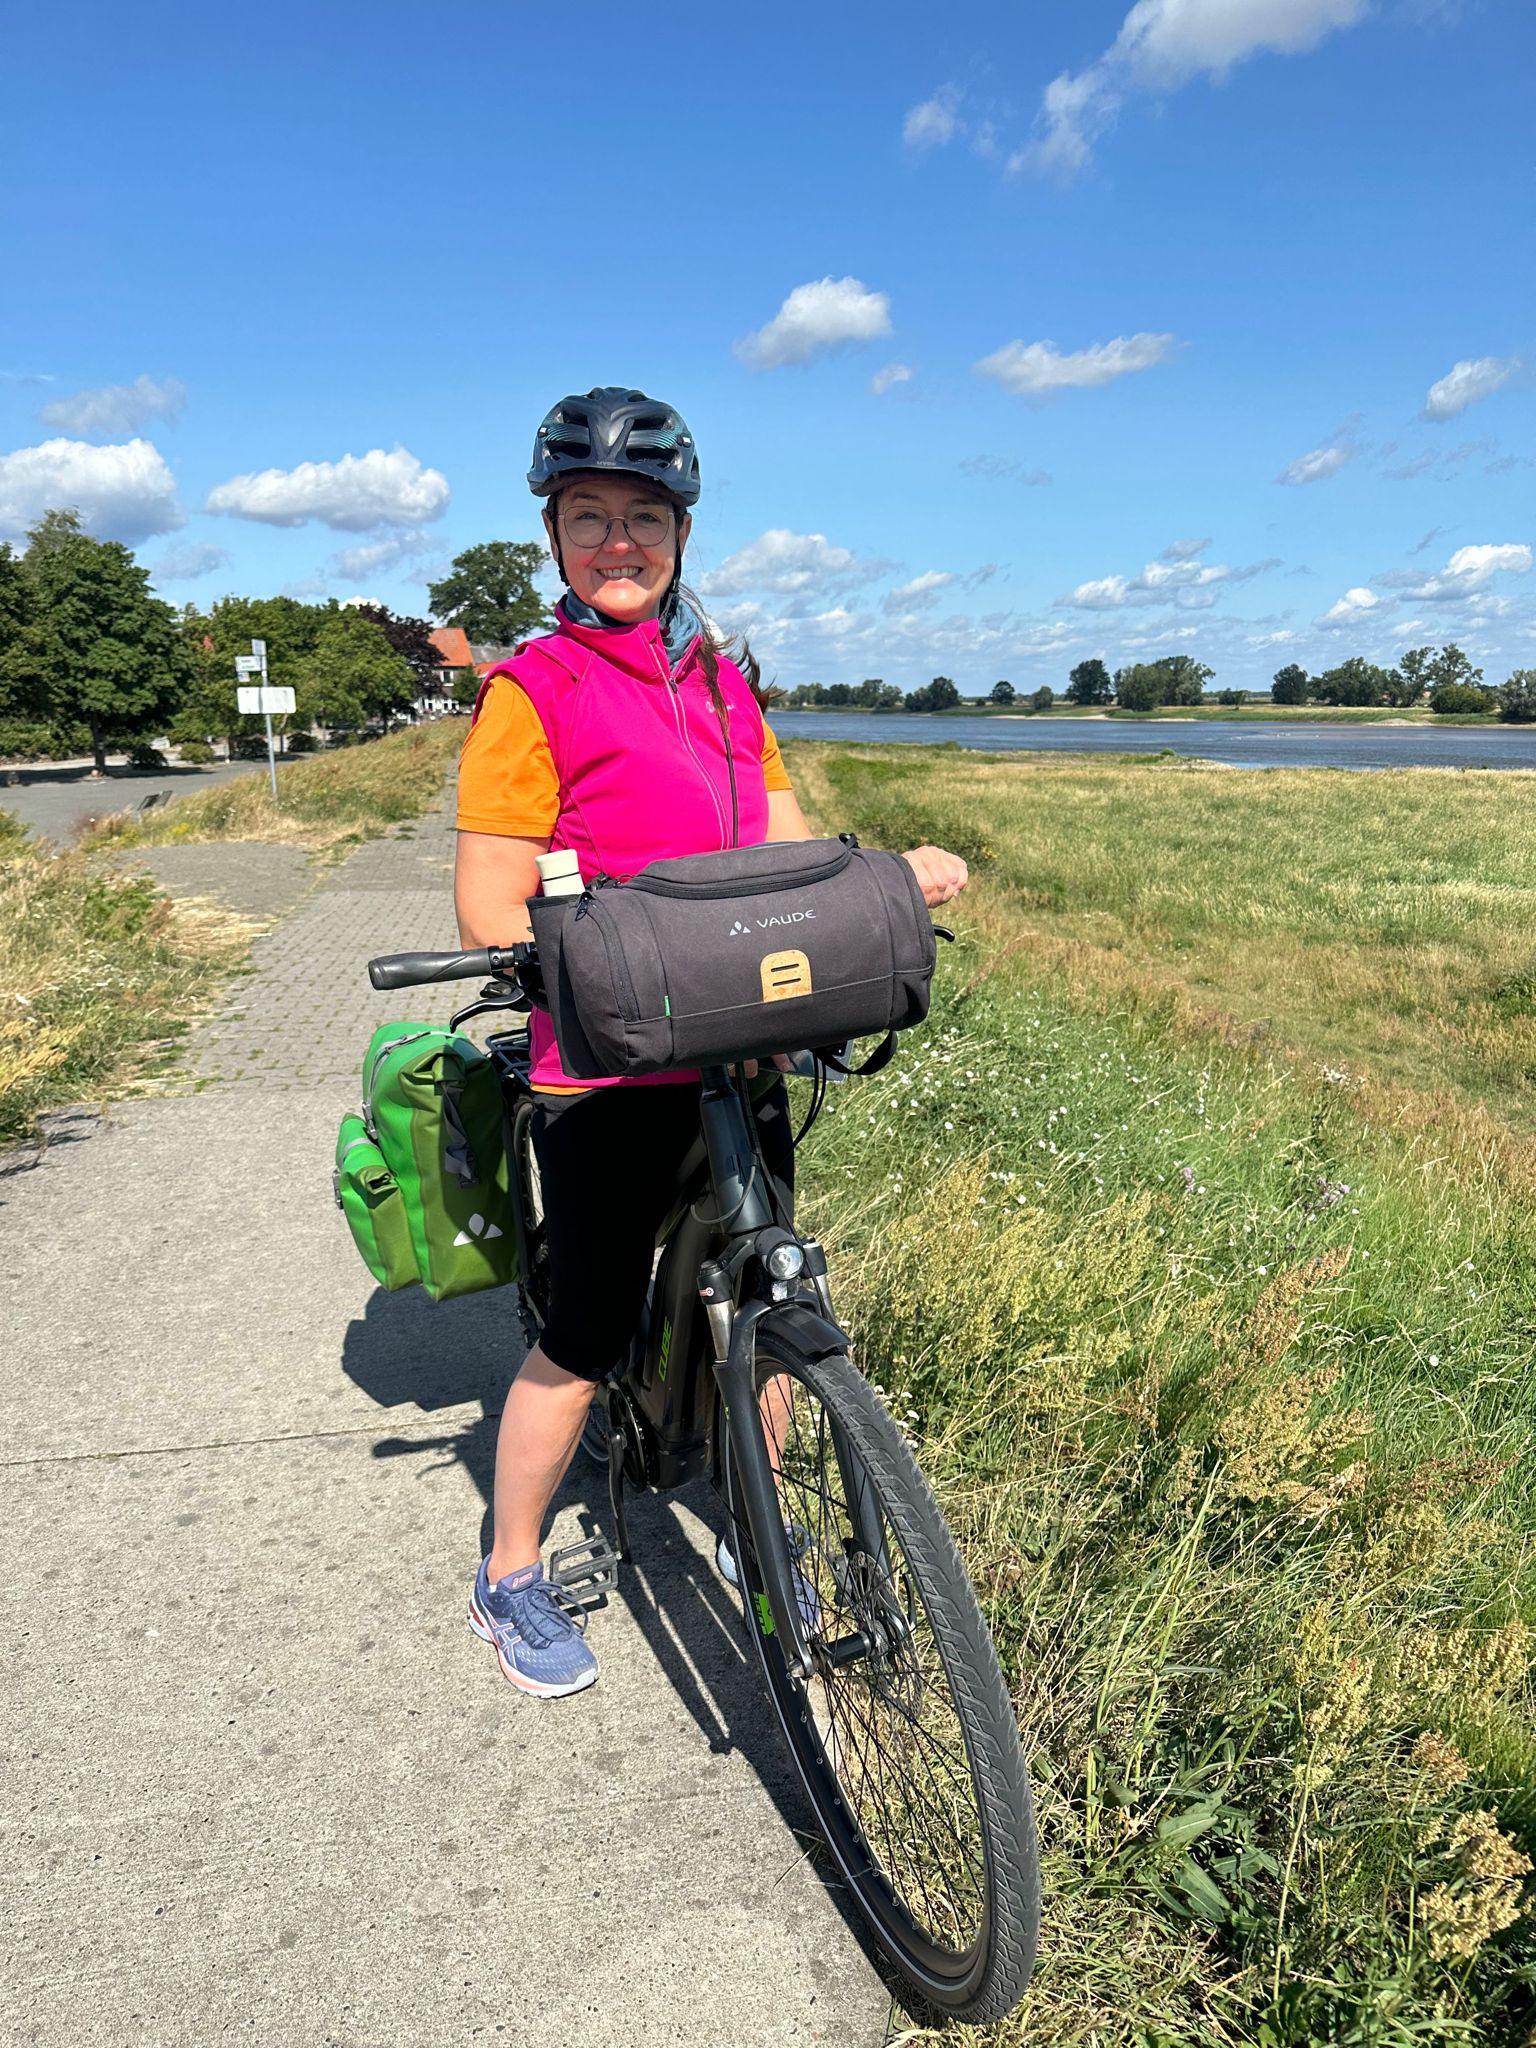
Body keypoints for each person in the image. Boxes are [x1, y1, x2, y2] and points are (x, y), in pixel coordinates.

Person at [453, 386, 968, 1698]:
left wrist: (882, 886)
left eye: (643, 516)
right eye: (587, 518)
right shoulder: (533, 689)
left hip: (742, 1050)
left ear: (681, 532)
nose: (616, 541)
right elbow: (488, 905)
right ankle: (510, 1575)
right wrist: (589, 944)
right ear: (554, 537)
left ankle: (759, 1520)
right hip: (610, 1067)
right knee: (585, 1333)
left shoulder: (724, 683)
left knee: (772, 1294)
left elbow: (787, 849)